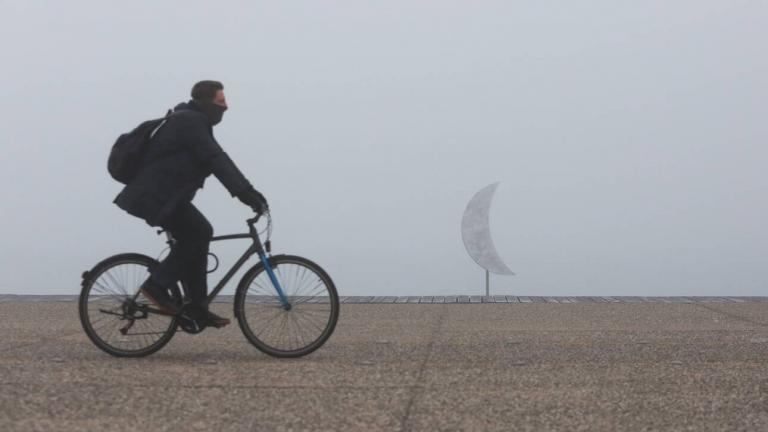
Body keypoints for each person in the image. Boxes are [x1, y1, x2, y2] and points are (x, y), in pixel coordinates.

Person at [114, 80, 268, 328]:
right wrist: (247, 194)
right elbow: (216, 159)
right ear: (206, 103)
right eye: (221, 102)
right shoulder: (190, 122)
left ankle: (197, 308)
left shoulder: (192, 120)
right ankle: (156, 286)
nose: (226, 107)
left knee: (199, 236)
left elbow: (214, 160)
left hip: (166, 197)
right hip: (154, 197)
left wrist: (245, 192)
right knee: (199, 232)